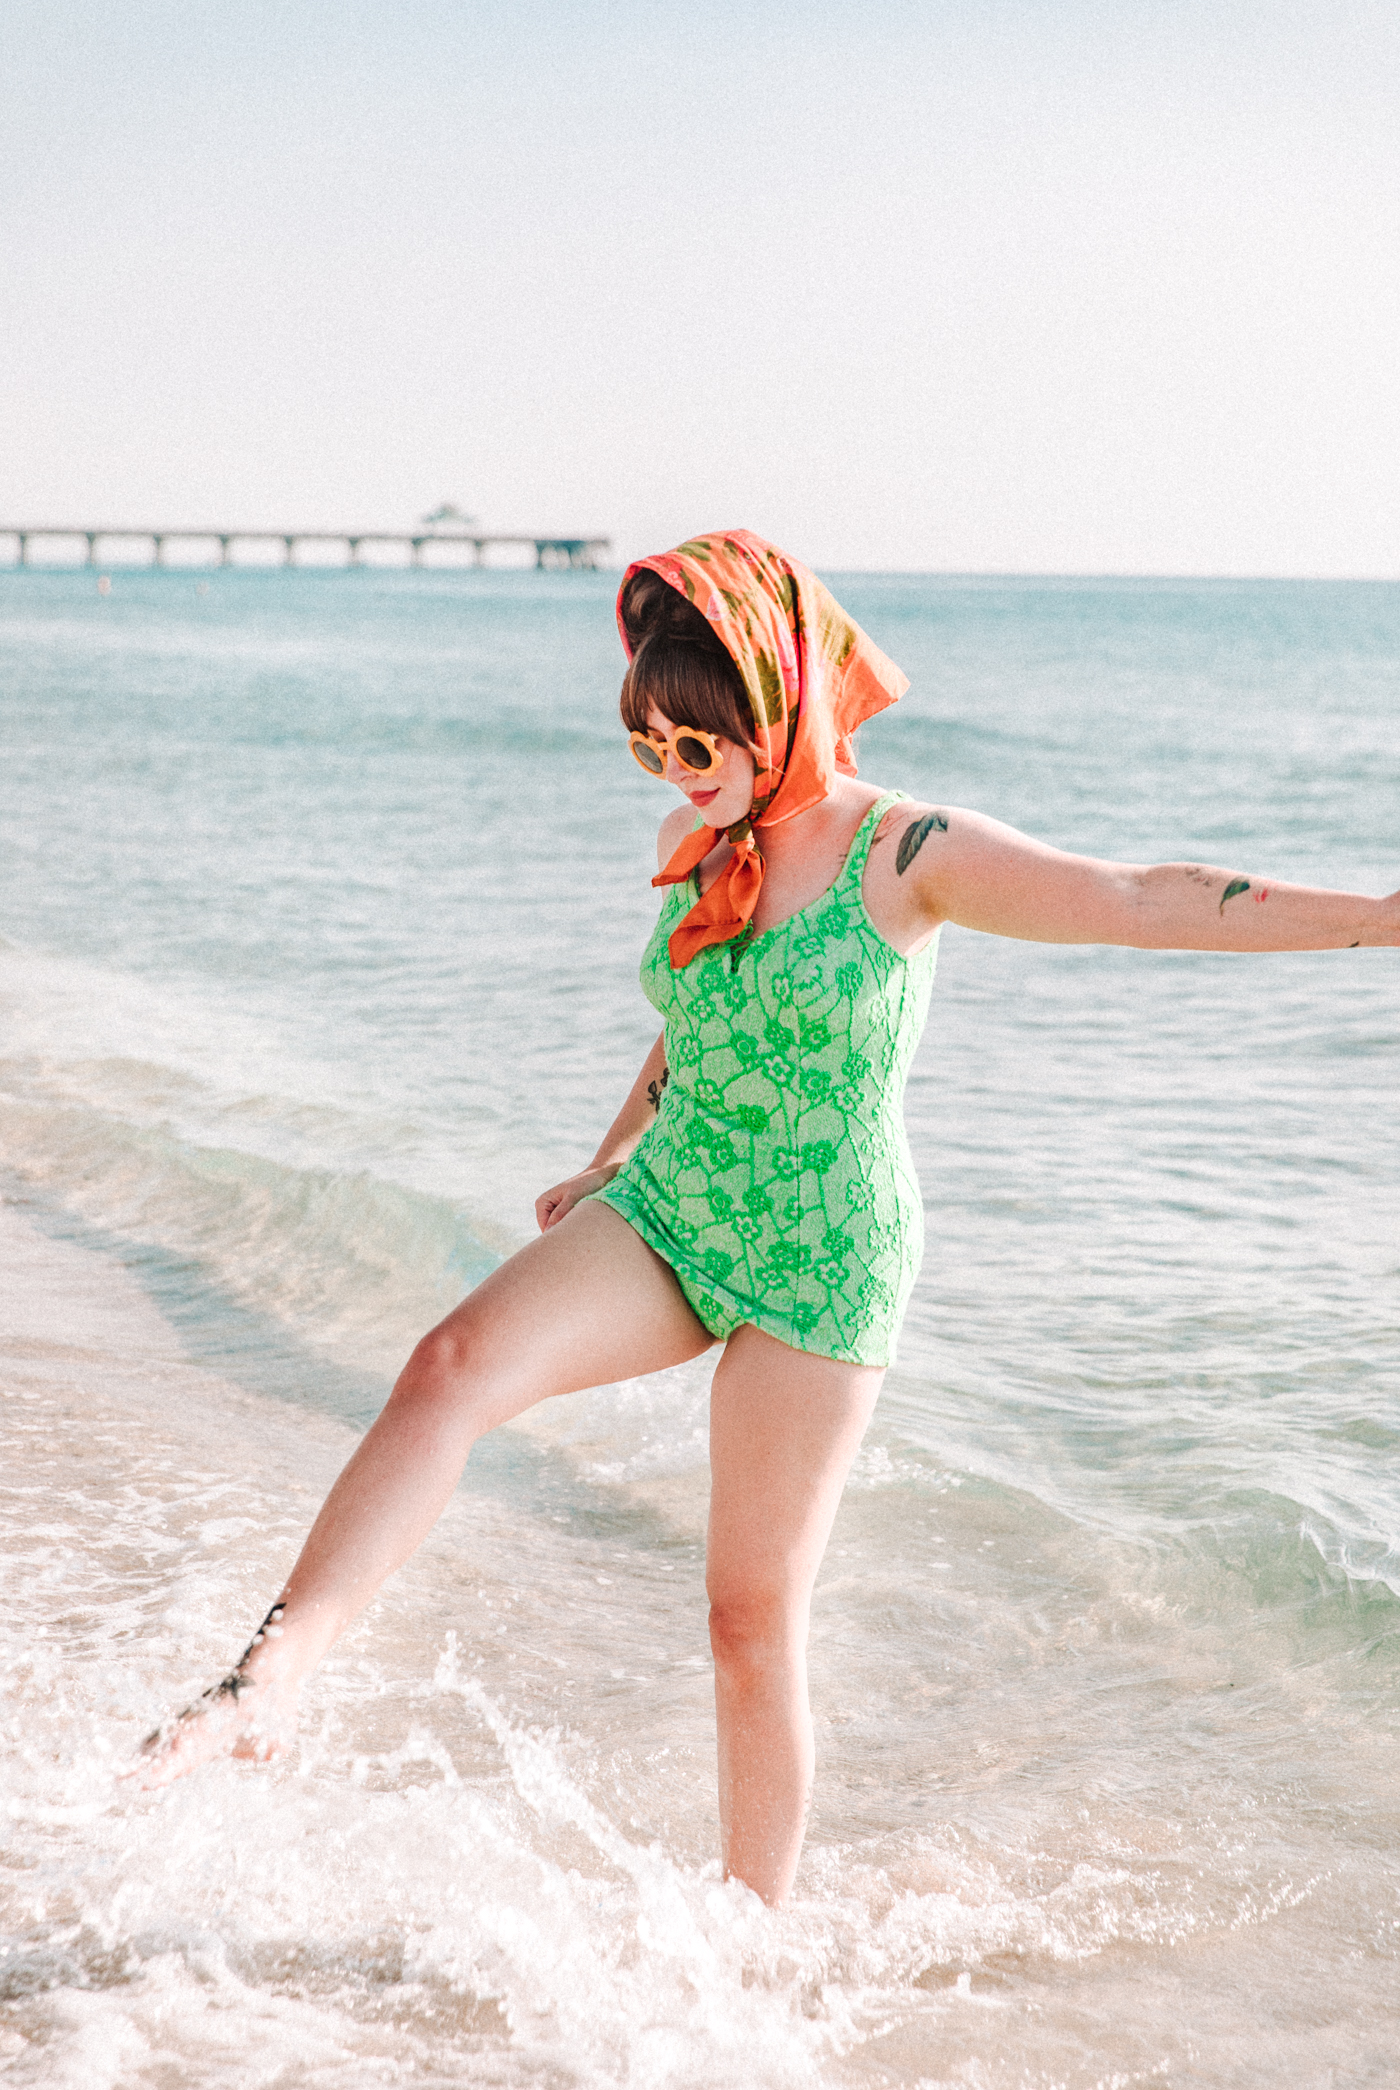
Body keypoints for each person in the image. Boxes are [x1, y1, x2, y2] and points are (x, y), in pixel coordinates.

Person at [134, 529, 1399, 1906]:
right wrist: (610, 1151)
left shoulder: (908, 853)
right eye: (652, 751)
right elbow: (694, 1012)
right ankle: (266, 1689)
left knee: (748, 1617)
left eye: (699, 745)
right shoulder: (705, 843)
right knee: (447, 1369)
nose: (680, 779)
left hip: (825, 1252)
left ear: (780, 707)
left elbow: (1133, 900)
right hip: (676, 1207)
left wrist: (1381, 919)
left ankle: (752, 1943)